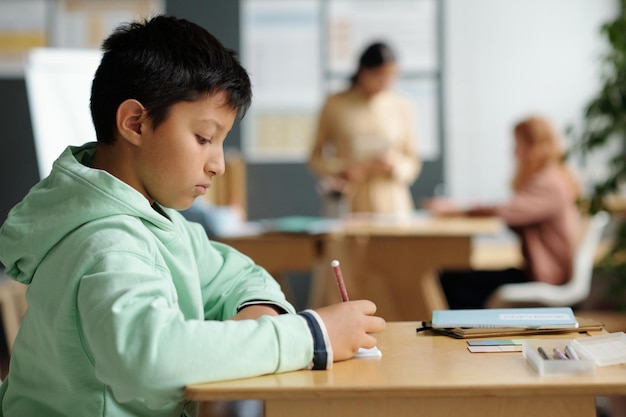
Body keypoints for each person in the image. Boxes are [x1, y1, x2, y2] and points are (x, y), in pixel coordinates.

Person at [0, 16, 385, 417]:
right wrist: (311, 336)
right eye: (204, 138)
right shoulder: (107, 242)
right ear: (136, 122)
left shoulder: (152, 216)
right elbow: (152, 361)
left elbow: (240, 275)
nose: (217, 163)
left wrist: (256, 322)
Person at [428, 116, 582, 309]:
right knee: (456, 277)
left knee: (451, 280)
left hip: (545, 278)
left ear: (534, 146)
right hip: (540, 272)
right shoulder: (555, 177)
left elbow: (505, 210)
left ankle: (465, 333)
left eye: (518, 145)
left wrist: (457, 210)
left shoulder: (548, 183)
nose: (514, 152)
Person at [308, 41, 421, 216]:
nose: (385, 82)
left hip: (393, 204)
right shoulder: (335, 104)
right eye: (379, 75)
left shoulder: (401, 105)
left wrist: (396, 166)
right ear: (362, 72)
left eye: (391, 76)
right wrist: (343, 168)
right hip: (350, 201)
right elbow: (315, 158)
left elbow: (412, 160)